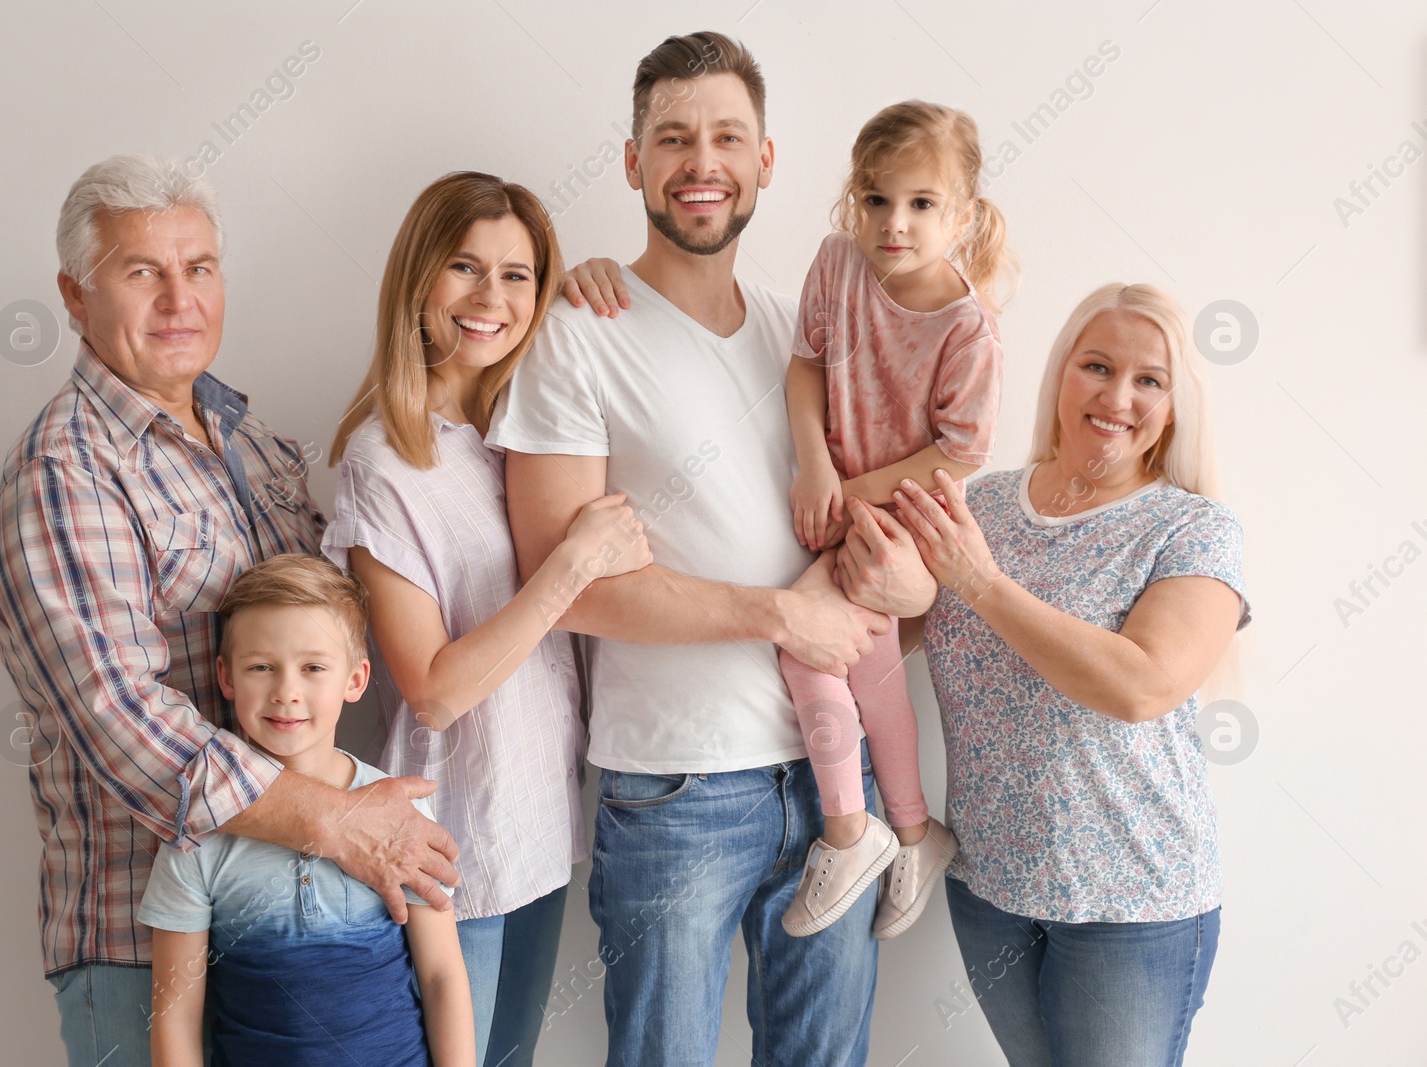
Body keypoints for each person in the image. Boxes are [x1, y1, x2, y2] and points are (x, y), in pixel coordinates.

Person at [487, 31, 935, 1067]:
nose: (703, 162)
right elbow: (567, 588)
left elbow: (886, 537)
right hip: (678, 788)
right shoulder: (576, 331)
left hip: (840, 789)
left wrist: (911, 595)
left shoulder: (808, 334)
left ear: (766, 160)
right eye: (674, 137)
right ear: (635, 161)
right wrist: (777, 612)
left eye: (728, 136)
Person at [0, 155, 457, 1067]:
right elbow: (122, 717)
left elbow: (336, 634)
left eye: (197, 268)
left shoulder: (256, 444)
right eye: (140, 271)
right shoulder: (63, 474)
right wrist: (341, 821)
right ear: (74, 295)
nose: (176, 298)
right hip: (140, 945)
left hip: (305, 938)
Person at [321, 171, 650, 1067]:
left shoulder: (515, 429)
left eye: (517, 275)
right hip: (450, 839)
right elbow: (431, 690)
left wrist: (579, 288)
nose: (490, 298)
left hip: (541, 821)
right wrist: (573, 563)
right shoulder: (382, 461)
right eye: (464, 268)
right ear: (418, 282)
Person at [889, 284, 1249, 1065]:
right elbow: (889, 634)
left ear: (1177, 404)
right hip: (990, 888)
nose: (1117, 395)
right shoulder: (978, 506)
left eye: (1149, 379)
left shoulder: (1192, 527)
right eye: (1097, 365)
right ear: (1060, 375)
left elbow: (1141, 683)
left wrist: (980, 582)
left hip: (1133, 905)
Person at [776, 100, 1014, 940]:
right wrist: (816, 466)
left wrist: (856, 493)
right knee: (868, 668)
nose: (894, 224)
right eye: (876, 200)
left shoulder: (966, 328)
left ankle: (852, 831)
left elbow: (957, 454)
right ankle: (913, 829)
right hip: (842, 496)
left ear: (962, 214)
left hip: (907, 513)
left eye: (921, 204)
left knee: (807, 647)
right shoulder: (838, 266)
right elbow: (806, 369)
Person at [141, 554, 474, 1067]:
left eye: (313, 667)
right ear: (226, 678)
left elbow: (442, 978)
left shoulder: (398, 817)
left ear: (356, 679)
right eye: (261, 667)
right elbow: (177, 1015)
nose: (286, 692)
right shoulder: (199, 832)